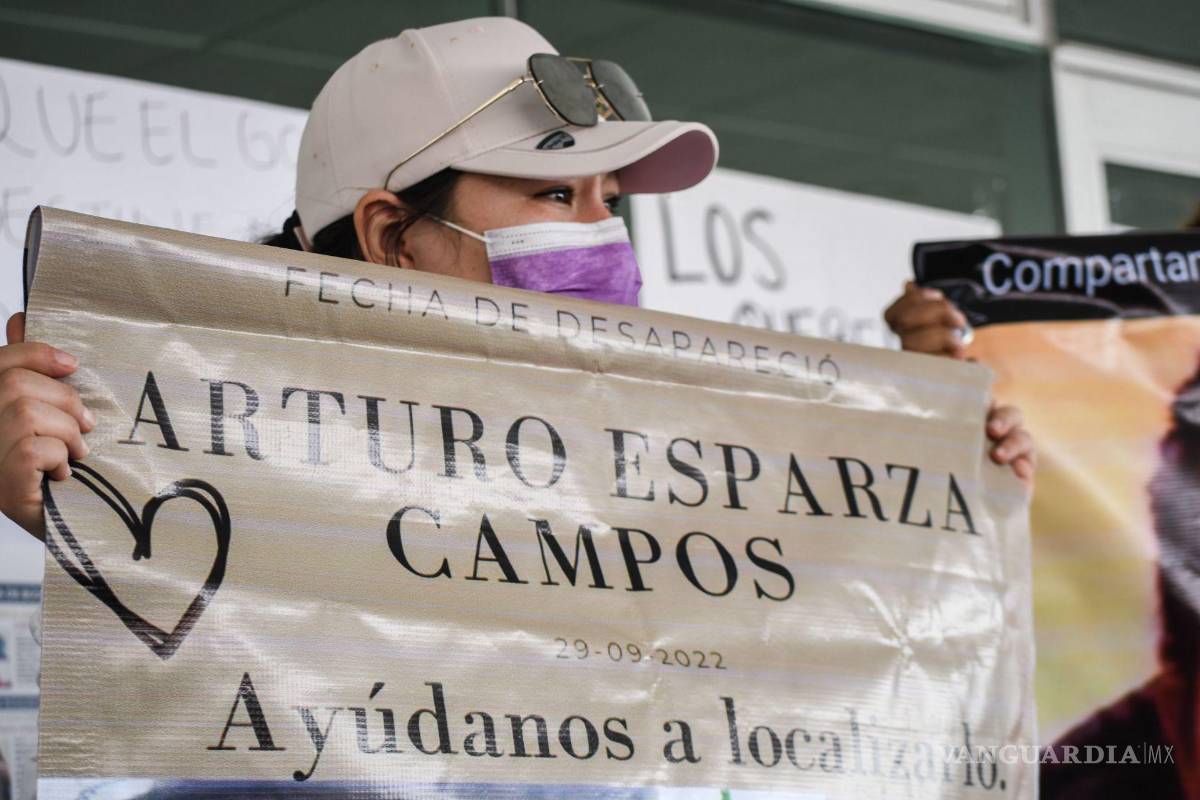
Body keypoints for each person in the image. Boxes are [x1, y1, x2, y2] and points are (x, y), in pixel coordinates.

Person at [0, 16, 1034, 540]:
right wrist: (76, 503)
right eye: (554, 195)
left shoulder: (649, 443)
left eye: (609, 199)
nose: (604, 234)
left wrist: (929, 447)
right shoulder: (203, 443)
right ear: (394, 236)